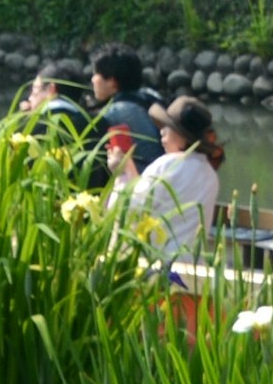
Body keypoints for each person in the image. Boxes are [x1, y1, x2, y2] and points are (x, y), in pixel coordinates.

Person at [116, 96, 224, 255]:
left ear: (182, 138)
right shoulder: (210, 174)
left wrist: (122, 172)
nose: (162, 132)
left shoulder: (168, 164)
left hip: (156, 266)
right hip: (191, 270)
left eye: (168, 127)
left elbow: (129, 209)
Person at [85, 48, 163, 182]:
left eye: (96, 73)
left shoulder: (114, 113)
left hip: (143, 185)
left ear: (112, 81)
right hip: (170, 175)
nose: (92, 79)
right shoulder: (150, 96)